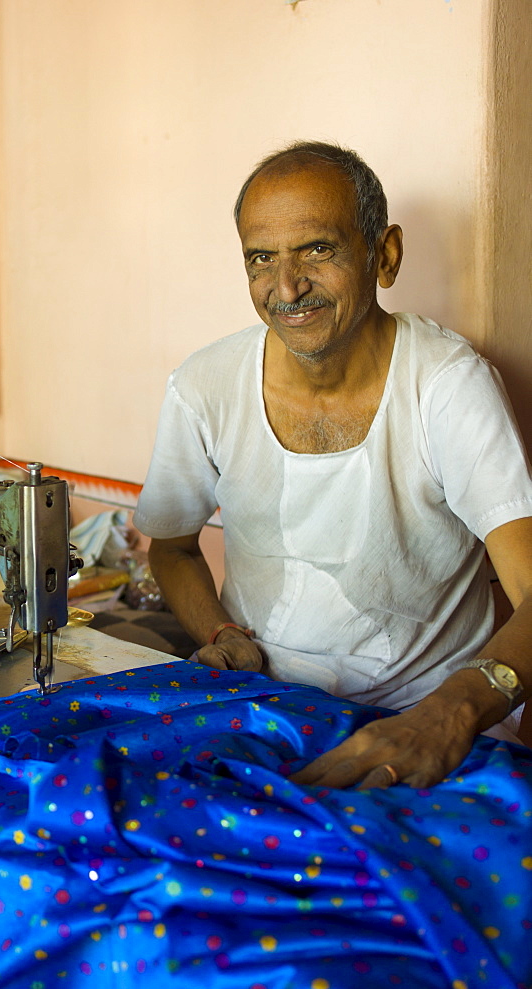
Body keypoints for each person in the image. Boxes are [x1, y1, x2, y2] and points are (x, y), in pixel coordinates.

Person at [132, 140, 532, 790]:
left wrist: (452, 712)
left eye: (317, 249)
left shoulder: (445, 386)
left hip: (428, 729)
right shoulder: (204, 386)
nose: (285, 289)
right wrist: (221, 632)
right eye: (261, 259)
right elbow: (172, 549)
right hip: (264, 715)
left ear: (385, 253)